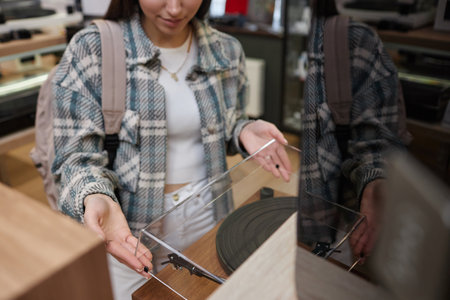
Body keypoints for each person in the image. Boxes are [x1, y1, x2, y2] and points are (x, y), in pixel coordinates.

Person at [51, 0, 291, 298]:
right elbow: (74, 156)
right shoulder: (93, 48)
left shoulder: (226, 49)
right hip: (130, 230)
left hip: (211, 216)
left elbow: (224, 124)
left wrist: (242, 129)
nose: (175, 9)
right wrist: (94, 194)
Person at [298, 0, 406, 265]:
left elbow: (378, 142)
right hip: (281, 223)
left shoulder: (354, 41)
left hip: (339, 234)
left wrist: (374, 181)